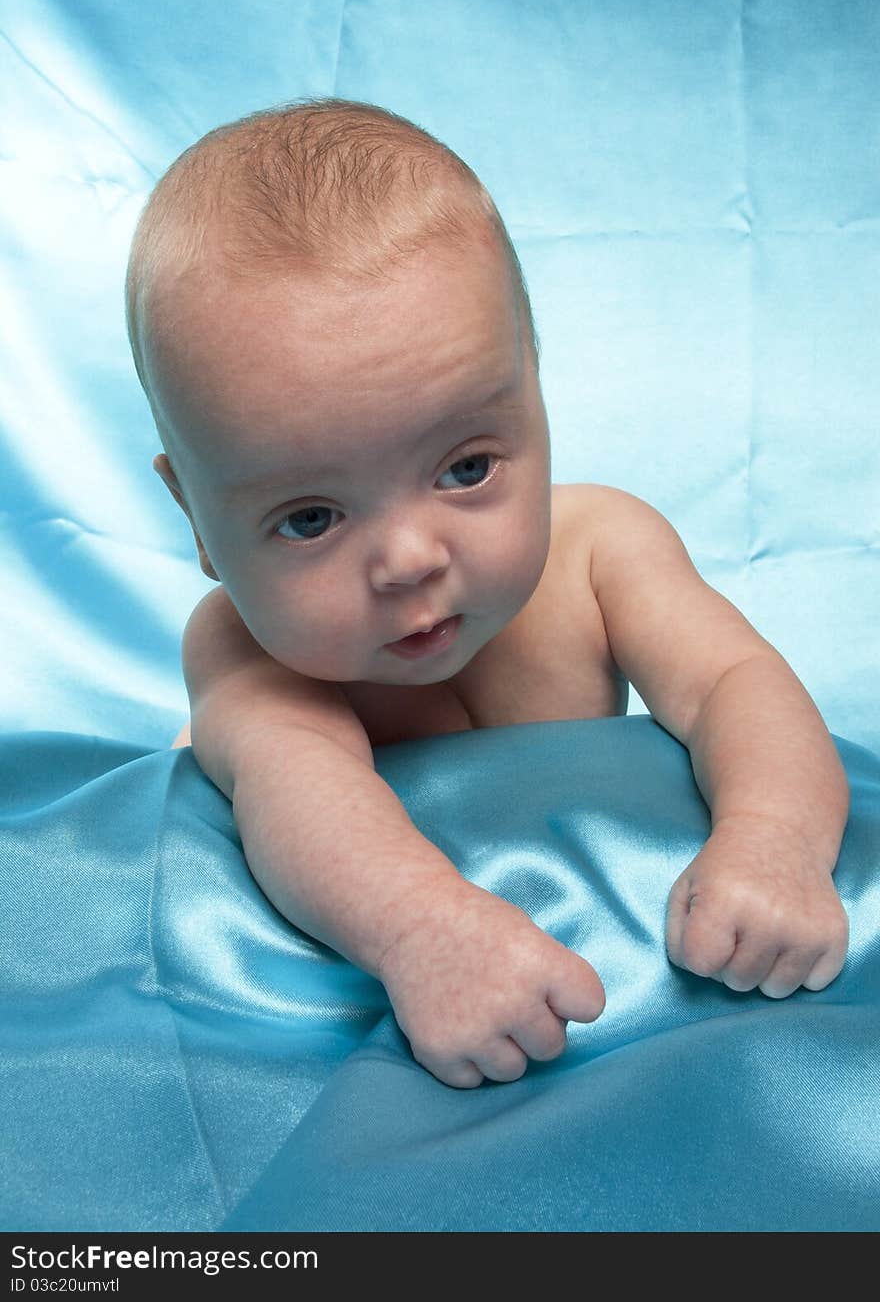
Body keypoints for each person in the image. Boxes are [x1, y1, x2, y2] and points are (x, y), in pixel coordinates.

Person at [125, 98, 850, 1089]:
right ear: (199, 520)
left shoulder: (600, 550)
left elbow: (736, 681)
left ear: (534, 385)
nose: (411, 558)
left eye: (464, 467)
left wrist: (774, 839)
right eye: (309, 519)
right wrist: (424, 930)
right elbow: (305, 792)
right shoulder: (245, 650)